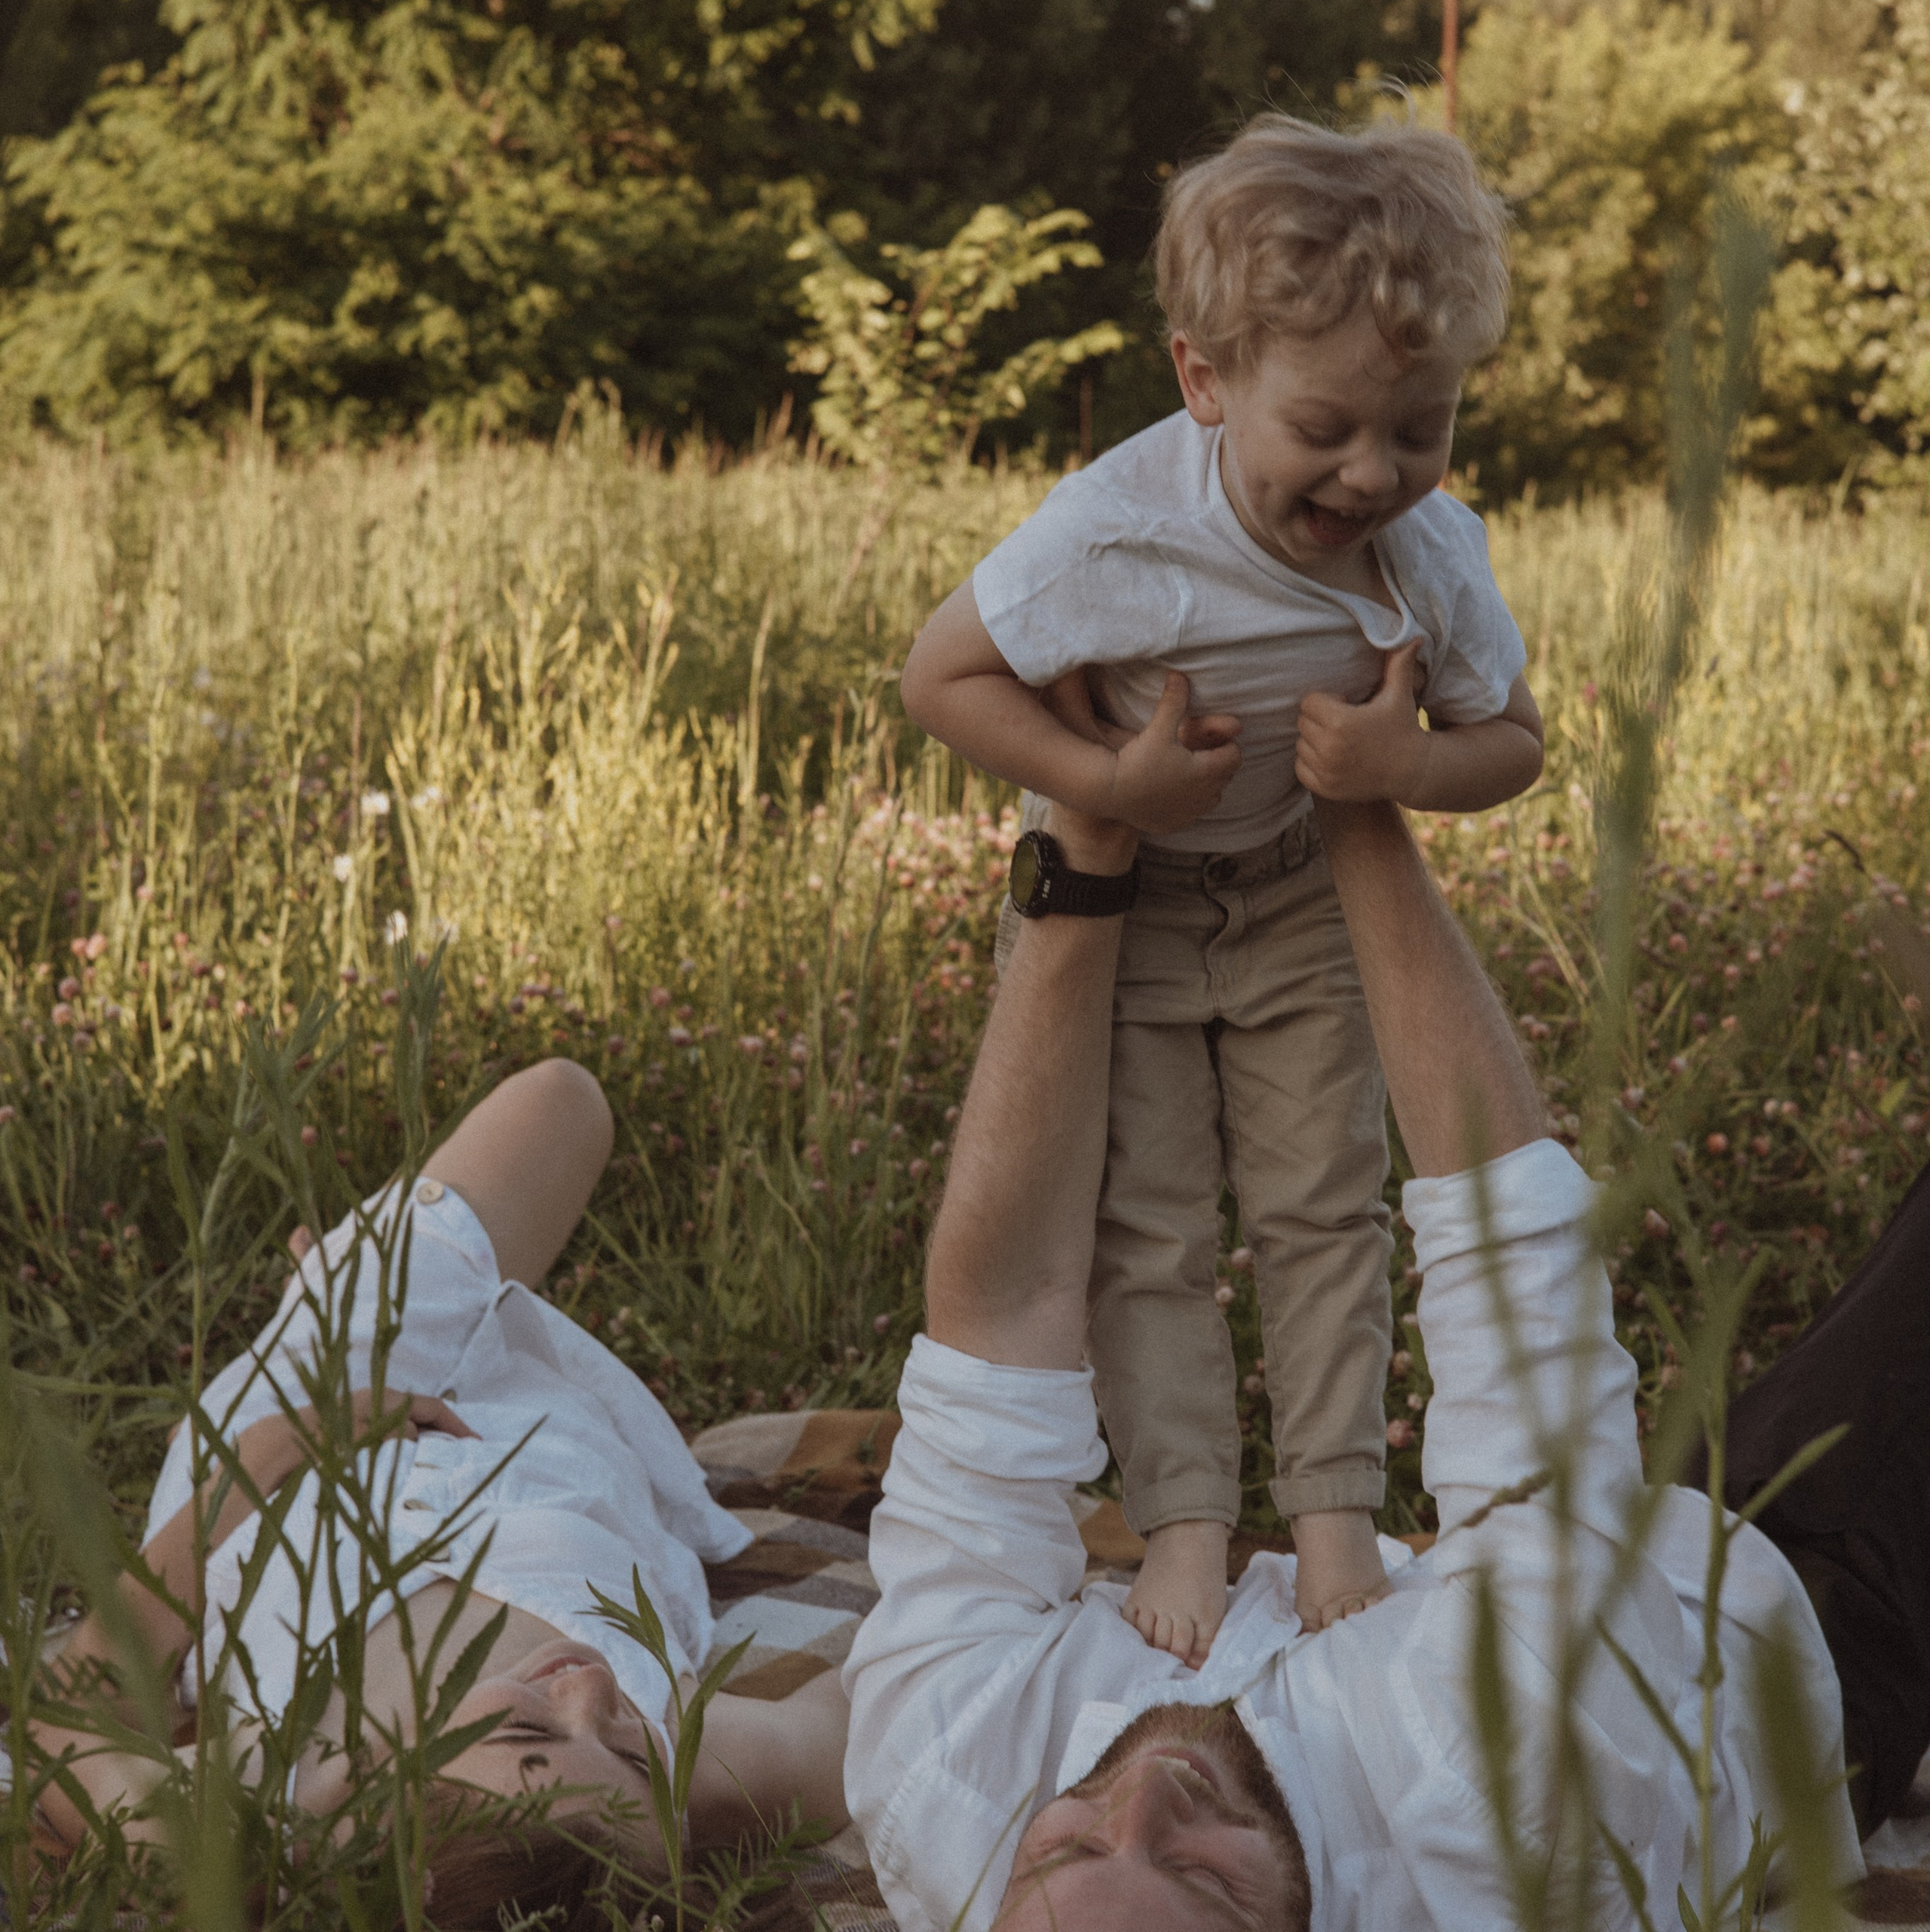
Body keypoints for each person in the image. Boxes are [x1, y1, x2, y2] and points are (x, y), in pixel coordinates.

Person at [841, 730, 1926, 1930]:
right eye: (1203, 1874)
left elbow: (999, 1319)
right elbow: (1512, 1267)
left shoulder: (943, 1779)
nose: (1149, 1797)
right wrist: (1350, 806)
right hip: (1811, 1617)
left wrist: (1084, 844)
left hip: (1547, 1567)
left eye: (1070, 1845)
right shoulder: (1501, 1807)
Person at [899, 112, 1546, 1662]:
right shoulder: (1117, 529)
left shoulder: (1425, 555)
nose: (1372, 472)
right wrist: (1104, 787)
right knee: (1148, 1225)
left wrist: (1402, 771)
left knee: (1323, 1207)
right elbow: (941, 674)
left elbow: (1510, 741)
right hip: (1128, 911)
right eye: (1323, 428)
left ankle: (1329, 1511)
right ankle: (1184, 1516)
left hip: (1294, 898)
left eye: (1421, 428)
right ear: (1203, 381)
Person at [26, 1059, 850, 1922]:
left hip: (291, 1446)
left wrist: (264, 1457)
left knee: (553, 1105)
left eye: (525, 1728)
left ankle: (310, 1314)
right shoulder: (697, 1780)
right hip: (533, 1428)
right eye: (631, 1755)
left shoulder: (255, 1815)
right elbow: (869, 1710)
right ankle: (336, 1285)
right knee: (564, 1100)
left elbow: (65, 1721)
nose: (592, 1694)